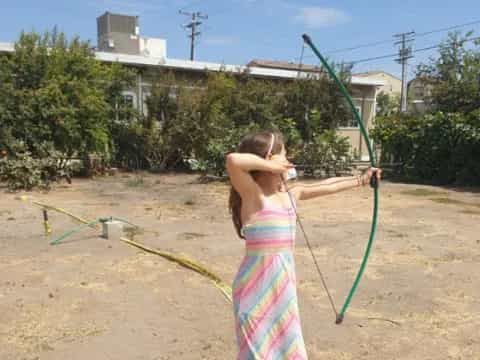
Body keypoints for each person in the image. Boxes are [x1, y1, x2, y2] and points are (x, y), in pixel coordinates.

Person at [226, 131, 381, 359]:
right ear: (267, 159)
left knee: (290, 352)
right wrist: (273, 166)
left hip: (283, 294)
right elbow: (233, 160)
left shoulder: (291, 194)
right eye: (284, 155)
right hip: (254, 296)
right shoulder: (253, 196)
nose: (289, 160)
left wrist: (361, 179)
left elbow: (327, 185)